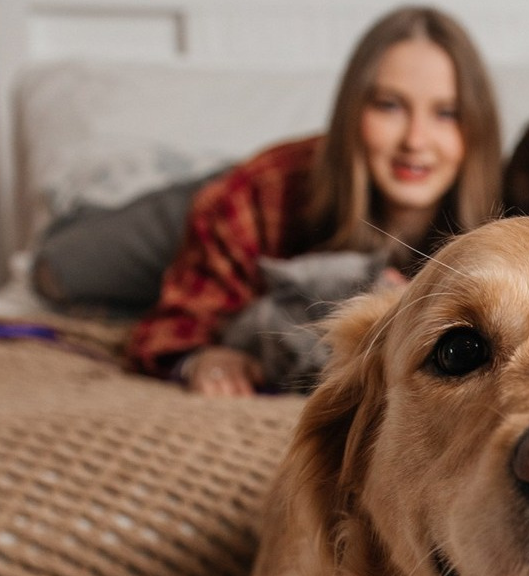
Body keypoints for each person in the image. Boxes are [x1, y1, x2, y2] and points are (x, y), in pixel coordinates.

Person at [126, 6, 502, 395]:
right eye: (389, 106)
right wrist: (203, 359)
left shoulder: (510, 201)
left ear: (478, 129)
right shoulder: (259, 192)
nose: (416, 140)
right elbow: (171, 329)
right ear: (351, 112)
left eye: (447, 113)